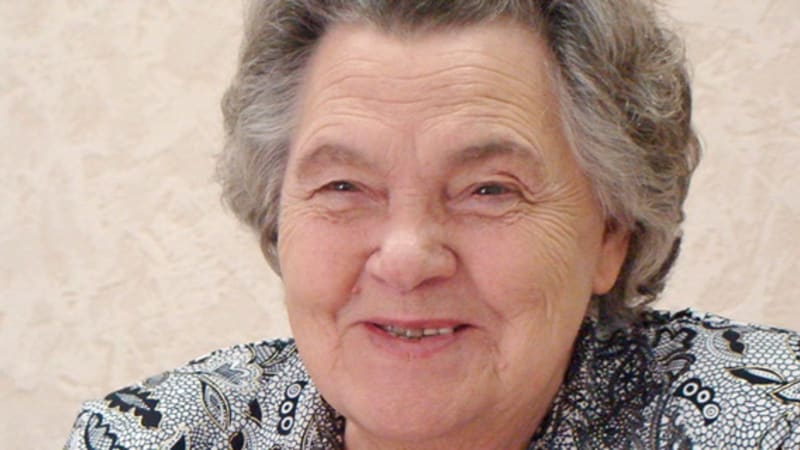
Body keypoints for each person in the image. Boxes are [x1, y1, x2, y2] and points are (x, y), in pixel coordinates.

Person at [65, 1, 800, 448]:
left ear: (613, 232)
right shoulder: (154, 436)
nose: (407, 257)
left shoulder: (770, 423)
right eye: (344, 186)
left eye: (488, 189)